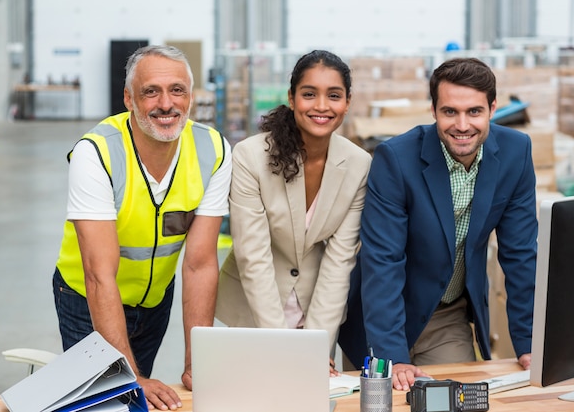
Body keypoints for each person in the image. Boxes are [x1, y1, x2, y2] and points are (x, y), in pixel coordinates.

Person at [339, 57, 537, 391]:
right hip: (382, 315)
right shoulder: (395, 159)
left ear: (493, 108)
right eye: (450, 112)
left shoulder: (516, 153)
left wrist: (531, 344)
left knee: (460, 399)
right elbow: (382, 260)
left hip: (447, 315)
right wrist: (391, 355)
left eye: (474, 111)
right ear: (433, 111)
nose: (462, 125)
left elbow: (520, 255)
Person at [52, 45, 232, 410]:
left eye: (177, 90)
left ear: (191, 97)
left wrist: (198, 361)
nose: (166, 103)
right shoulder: (97, 152)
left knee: (140, 405)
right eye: (151, 91)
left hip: (154, 301)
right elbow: (99, 275)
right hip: (86, 299)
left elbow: (199, 264)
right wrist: (129, 377)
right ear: (128, 99)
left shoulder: (212, 150)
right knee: (106, 401)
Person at [215, 50, 371, 374]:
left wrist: (314, 346)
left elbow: (340, 260)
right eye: (309, 94)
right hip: (254, 311)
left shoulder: (358, 165)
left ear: (348, 101)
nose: (321, 106)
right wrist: (284, 348)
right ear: (291, 97)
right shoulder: (250, 156)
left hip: (317, 310)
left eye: (334, 95)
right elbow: (252, 255)